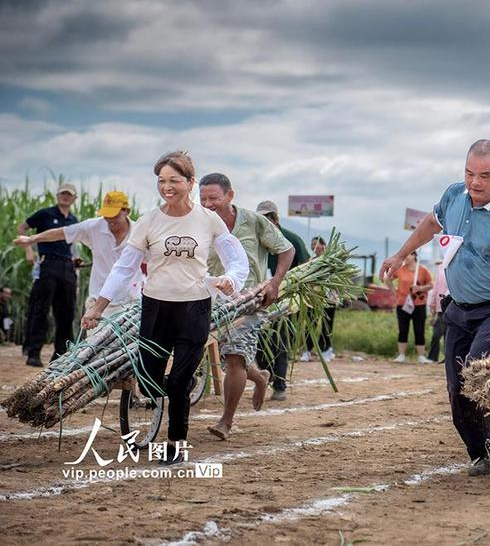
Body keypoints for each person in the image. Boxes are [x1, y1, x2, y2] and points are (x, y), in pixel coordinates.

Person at [81, 151, 249, 465]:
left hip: (195, 308)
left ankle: (175, 445)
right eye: (161, 181)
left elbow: (237, 260)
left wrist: (230, 279)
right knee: (150, 378)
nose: (167, 187)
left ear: (190, 182)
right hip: (156, 308)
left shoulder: (207, 220)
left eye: (174, 180)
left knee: (178, 383)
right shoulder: (148, 221)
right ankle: (175, 384)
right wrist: (98, 307)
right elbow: (124, 268)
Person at [380, 139, 490, 477]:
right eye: (469, 173)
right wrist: (401, 254)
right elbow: (431, 224)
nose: (475, 182)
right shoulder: (454, 196)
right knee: (456, 388)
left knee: (480, 373)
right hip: (458, 310)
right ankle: (478, 452)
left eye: (484, 175)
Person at [199, 173, 295, 440]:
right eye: (203, 198)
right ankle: (260, 377)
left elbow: (286, 250)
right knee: (227, 356)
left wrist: (274, 283)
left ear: (230, 196)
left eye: (214, 198)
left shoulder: (254, 222)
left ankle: (226, 421)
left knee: (234, 358)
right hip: (208, 300)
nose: (207, 204)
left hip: (248, 301)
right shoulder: (198, 223)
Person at [14, 191, 142, 317]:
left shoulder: (139, 232)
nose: (110, 220)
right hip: (99, 302)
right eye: (107, 216)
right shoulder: (93, 227)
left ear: (126, 211)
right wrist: (32, 239)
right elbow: (62, 232)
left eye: (114, 215)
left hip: (131, 302)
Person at [17, 183, 79, 366]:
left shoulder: (74, 220)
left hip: (67, 267)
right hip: (47, 264)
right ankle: (33, 352)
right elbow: (21, 229)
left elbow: (74, 245)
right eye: (62, 193)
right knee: (40, 310)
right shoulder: (45, 214)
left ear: (74, 198)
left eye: (69, 194)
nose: (65, 197)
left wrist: (76, 261)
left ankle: (60, 354)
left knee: (67, 312)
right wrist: (29, 250)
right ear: (57, 195)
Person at [255, 200, 310, 401]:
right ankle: (265, 375)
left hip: (285, 301)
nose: (266, 221)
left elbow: (305, 266)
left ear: (276, 218)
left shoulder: (292, 239)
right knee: (258, 344)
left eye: (268, 217)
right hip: (259, 300)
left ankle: (279, 385)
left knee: (279, 343)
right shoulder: (256, 240)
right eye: (261, 218)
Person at [385, 251, 434, 363]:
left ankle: (421, 356)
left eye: (407, 255)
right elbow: (387, 279)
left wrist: (420, 289)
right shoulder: (400, 269)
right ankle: (401, 355)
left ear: (414, 256)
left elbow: (431, 285)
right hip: (403, 303)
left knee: (419, 329)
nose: (405, 258)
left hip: (419, 304)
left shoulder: (422, 270)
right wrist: (394, 292)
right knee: (403, 329)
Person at [301, 237, 337, 362]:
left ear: (323, 245)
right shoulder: (311, 262)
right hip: (313, 298)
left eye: (315, 244)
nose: (313, 247)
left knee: (327, 325)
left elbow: (337, 279)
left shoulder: (331, 260)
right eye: (311, 244)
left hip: (329, 297)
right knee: (310, 324)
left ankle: (326, 350)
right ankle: (307, 350)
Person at [427, 258, 449, 363]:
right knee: (437, 334)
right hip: (441, 306)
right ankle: (432, 357)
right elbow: (436, 287)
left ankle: (448, 358)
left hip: (454, 305)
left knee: (449, 334)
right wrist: (432, 304)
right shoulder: (440, 269)